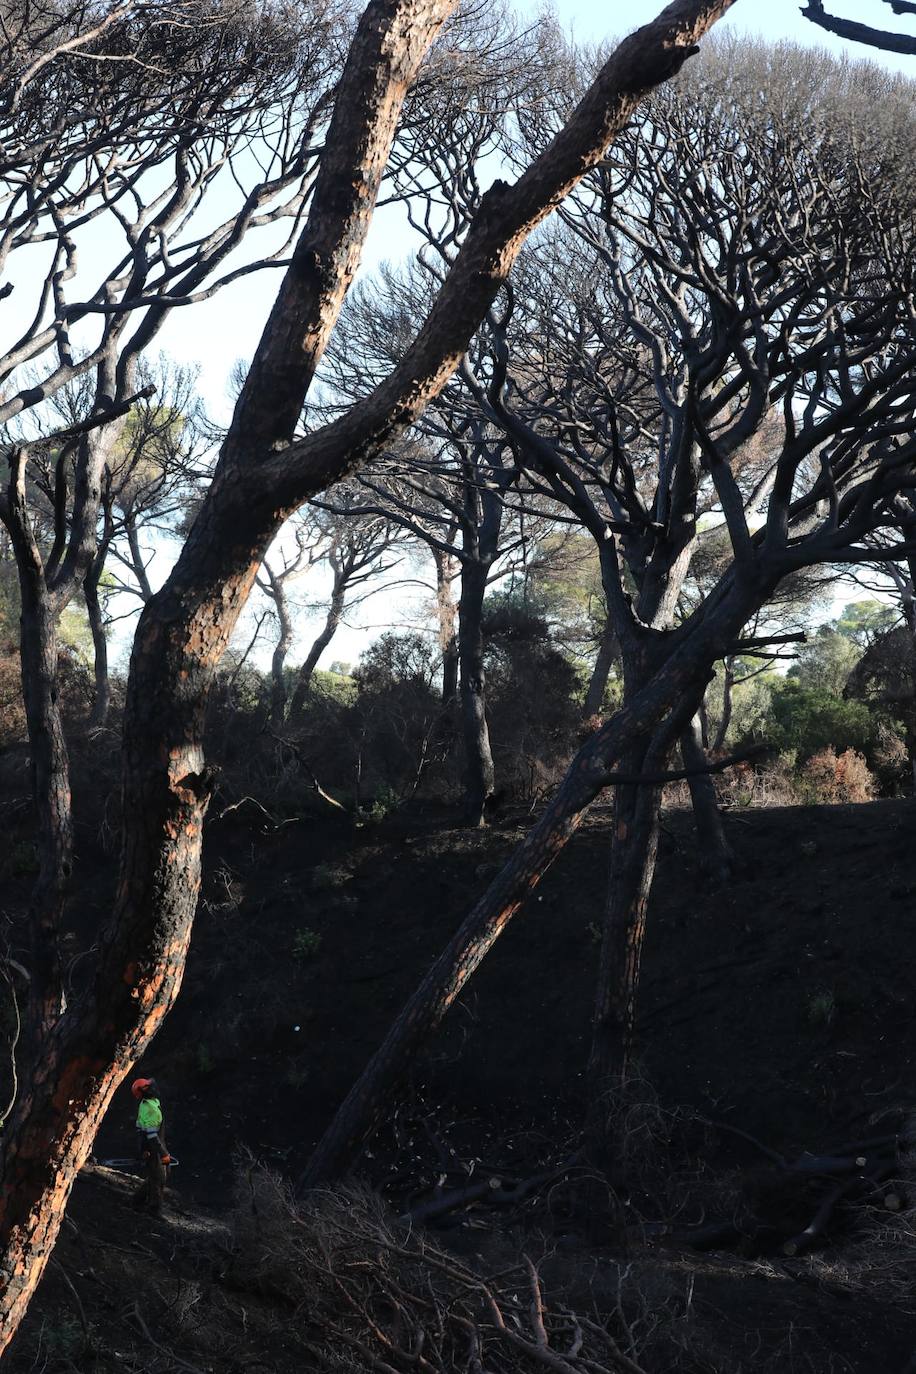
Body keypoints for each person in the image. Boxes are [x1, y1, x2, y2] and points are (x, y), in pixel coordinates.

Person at [131, 1077, 169, 1214]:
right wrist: (163, 1153)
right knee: (158, 1178)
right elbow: (151, 1136)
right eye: (147, 1087)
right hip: (152, 1147)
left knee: (158, 1175)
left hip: (156, 1144)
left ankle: (137, 1201)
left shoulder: (152, 1102)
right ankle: (154, 1209)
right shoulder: (149, 1108)